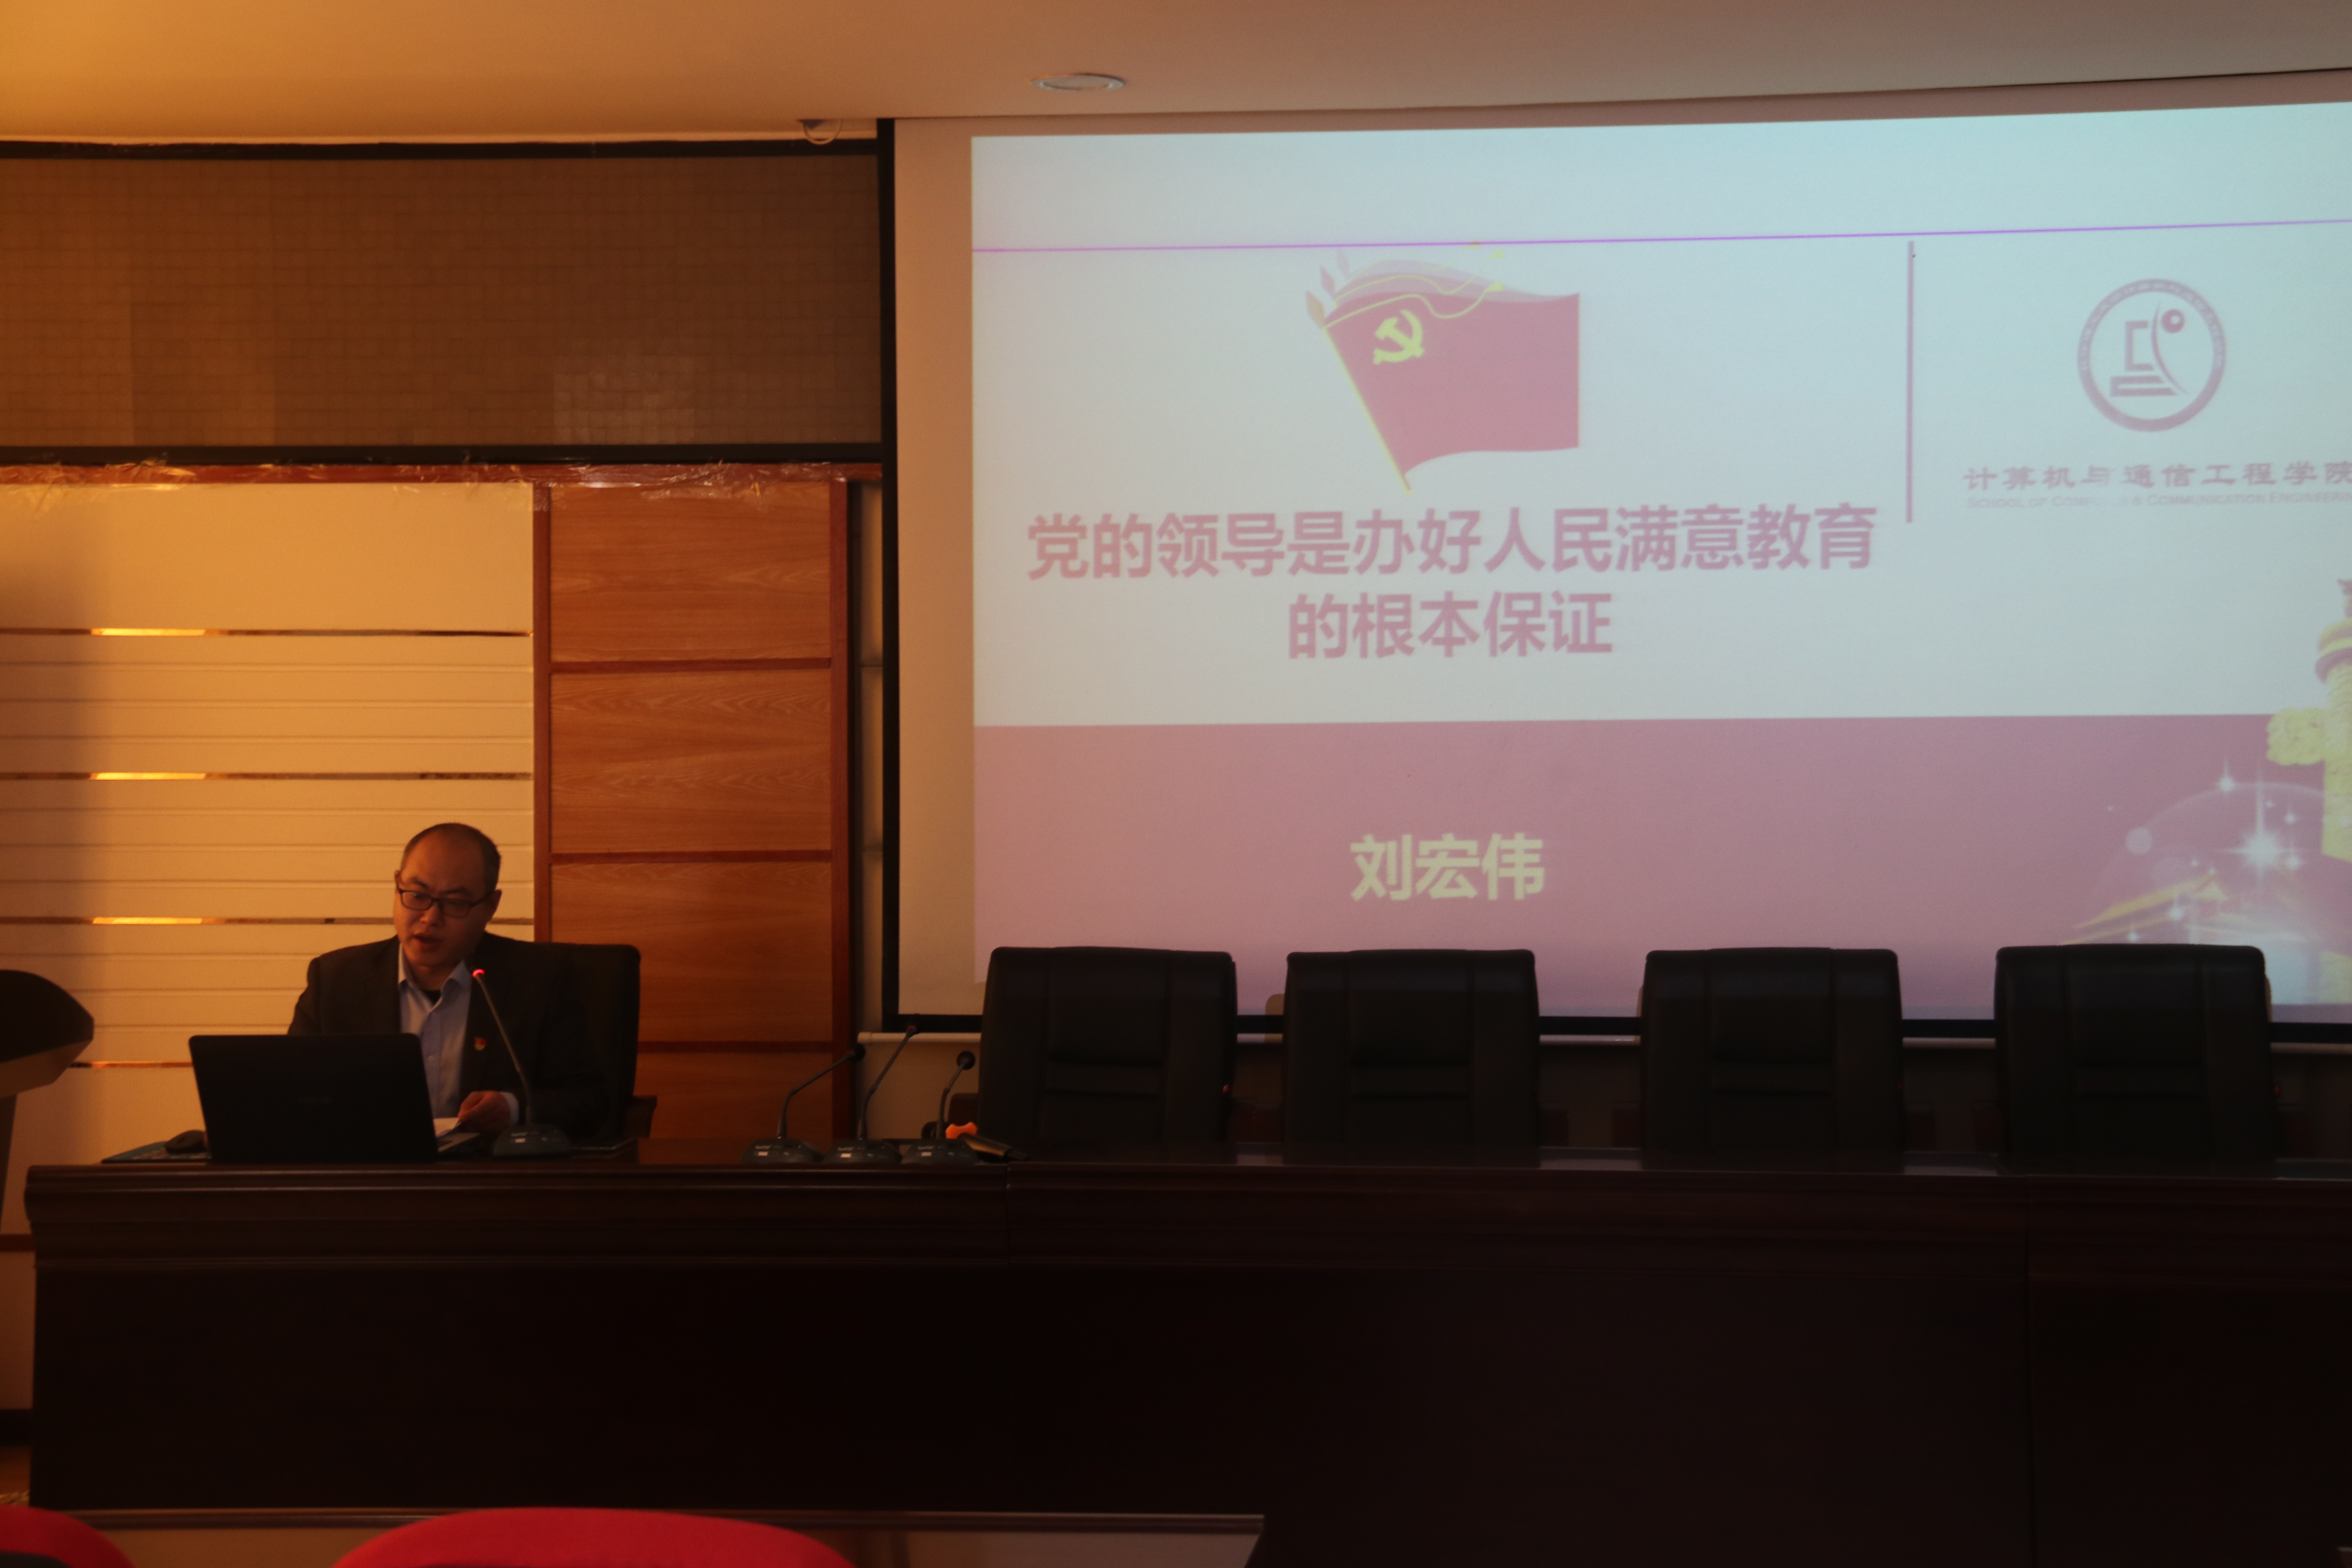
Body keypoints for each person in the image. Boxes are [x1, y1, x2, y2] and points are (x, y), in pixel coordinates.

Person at [288, 823, 610, 1141]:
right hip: (371, 1167)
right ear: (397, 885)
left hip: (485, 1171)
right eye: (417, 895)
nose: (430, 918)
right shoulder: (335, 979)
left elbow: (591, 1103)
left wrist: (514, 1108)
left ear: (491, 906)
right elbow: (290, 1094)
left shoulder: (539, 980)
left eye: (455, 903)